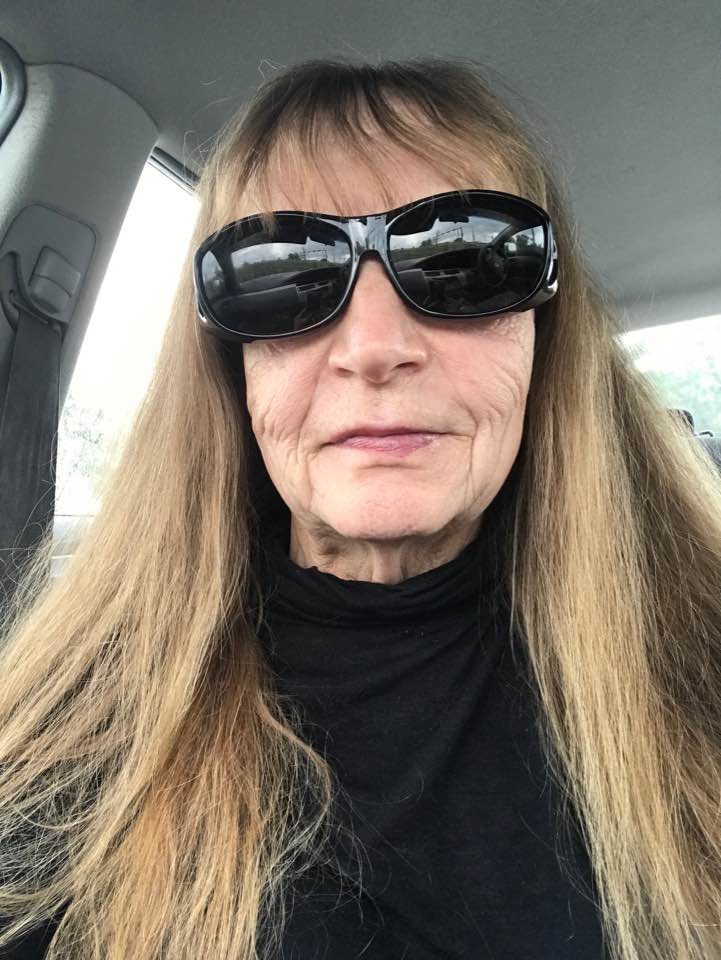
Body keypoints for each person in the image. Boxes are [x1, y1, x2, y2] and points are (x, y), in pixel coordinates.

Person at [1, 57, 721, 960]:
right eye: (283, 272)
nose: (374, 348)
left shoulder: (698, 666)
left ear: (545, 336)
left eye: (463, 261)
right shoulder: (69, 738)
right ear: (228, 366)